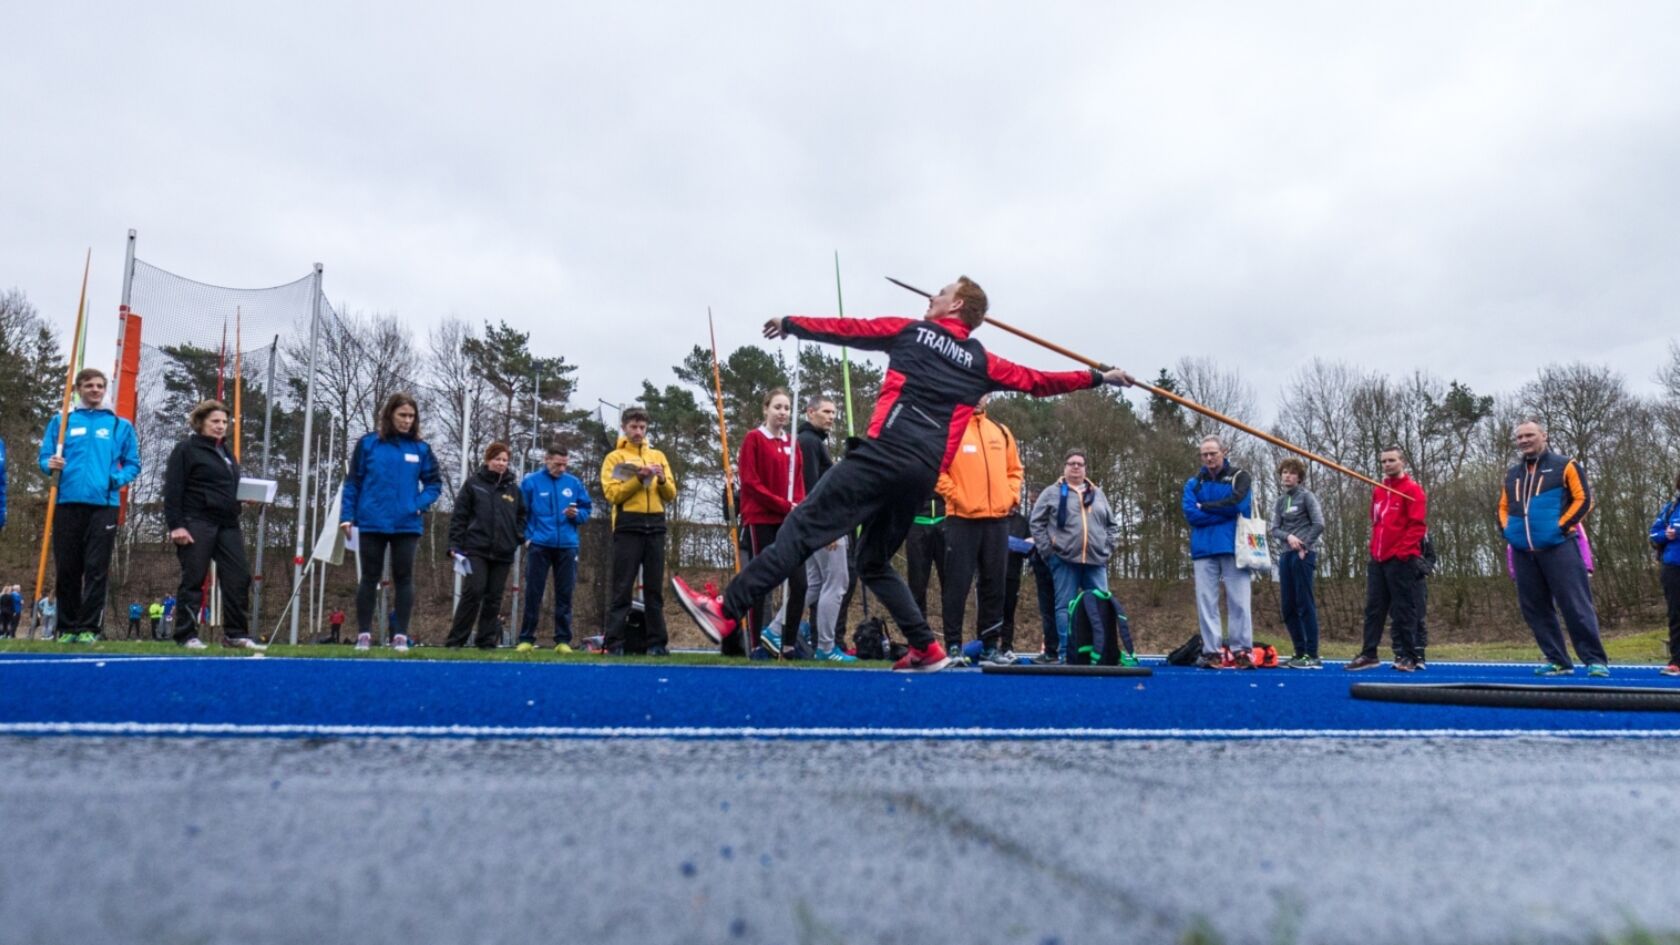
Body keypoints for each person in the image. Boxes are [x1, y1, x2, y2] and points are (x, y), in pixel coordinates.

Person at [671, 276, 1138, 671]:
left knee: (799, 528)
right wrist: (1100, 377)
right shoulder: (982, 361)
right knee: (872, 562)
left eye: (939, 293)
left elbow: (851, 329)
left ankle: (726, 611)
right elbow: (1040, 382)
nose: (929, 298)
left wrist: (793, 324)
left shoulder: (913, 332)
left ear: (955, 304)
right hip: (920, 475)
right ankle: (926, 646)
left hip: (882, 455)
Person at [38, 368, 141, 642]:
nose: (94, 390)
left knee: (96, 568)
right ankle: (67, 627)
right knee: (68, 567)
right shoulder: (61, 422)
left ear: (105, 389)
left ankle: (88, 628)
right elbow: (45, 457)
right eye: (88, 385)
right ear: (78, 389)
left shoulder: (120, 426)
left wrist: (115, 479)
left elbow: (133, 464)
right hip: (67, 503)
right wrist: (51, 465)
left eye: (99, 385)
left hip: (103, 505)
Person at [1501, 420, 1608, 677]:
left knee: (1575, 604)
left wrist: (1560, 527)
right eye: (1519, 437)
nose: (1524, 440)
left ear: (1543, 436)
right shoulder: (1513, 474)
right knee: (1535, 608)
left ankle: (1595, 660)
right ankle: (1558, 660)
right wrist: (1509, 532)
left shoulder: (1565, 465)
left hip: (1560, 547)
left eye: (1529, 435)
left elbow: (1584, 499)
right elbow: (1503, 507)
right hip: (1523, 551)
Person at [340, 392, 442, 654]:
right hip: (372, 521)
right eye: (402, 415)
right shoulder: (368, 444)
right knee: (369, 577)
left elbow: (434, 484)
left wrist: (417, 505)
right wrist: (346, 516)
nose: (407, 420)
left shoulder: (421, 449)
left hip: (406, 525)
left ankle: (400, 635)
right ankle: (364, 634)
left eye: (411, 416)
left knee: (404, 577)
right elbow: (353, 483)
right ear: (390, 415)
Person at [161, 399, 266, 650]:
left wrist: (243, 498)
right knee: (195, 578)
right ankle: (186, 635)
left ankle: (235, 634)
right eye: (215, 421)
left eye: (224, 422)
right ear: (200, 423)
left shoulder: (226, 453)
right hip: (196, 521)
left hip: (228, 523)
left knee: (238, 576)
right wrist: (176, 525)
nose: (221, 426)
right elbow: (173, 489)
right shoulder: (186, 449)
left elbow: (223, 487)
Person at [936, 393, 1024, 663]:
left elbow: (1015, 470)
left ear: (988, 396)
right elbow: (937, 471)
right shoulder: (948, 429)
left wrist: (1010, 497)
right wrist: (959, 497)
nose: (977, 397)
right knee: (956, 584)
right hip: (962, 519)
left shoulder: (1001, 431)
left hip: (997, 520)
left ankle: (990, 646)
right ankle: (953, 646)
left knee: (994, 584)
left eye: (983, 392)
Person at [1029, 449, 1122, 663]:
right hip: (1064, 560)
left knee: (1102, 606)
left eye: (1080, 464)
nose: (1076, 467)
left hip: (1096, 561)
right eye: (1071, 463)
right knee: (1064, 607)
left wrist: (1107, 548)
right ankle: (1066, 653)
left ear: (1085, 468)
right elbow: (1037, 522)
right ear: (1064, 467)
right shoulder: (1051, 493)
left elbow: (1112, 525)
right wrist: (1048, 551)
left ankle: (1103, 652)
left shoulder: (1098, 494)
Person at [600, 407, 677, 657]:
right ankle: (614, 642)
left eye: (642, 428)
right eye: (633, 427)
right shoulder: (614, 458)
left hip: (655, 524)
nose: (638, 432)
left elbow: (671, 495)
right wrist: (638, 478)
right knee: (623, 587)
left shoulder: (658, 455)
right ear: (624, 427)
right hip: (627, 525)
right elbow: (613, 495)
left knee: (654, 589)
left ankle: (657, 643)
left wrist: (662, 479)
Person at [738, 388, 807, 657]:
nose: (782, 412)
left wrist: (798, 507)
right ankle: (756, 644)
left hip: (789, 521)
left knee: (799, 582)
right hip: (762, 519)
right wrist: (782, 504)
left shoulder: (793, 443)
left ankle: (789, 644)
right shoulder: (754, 439)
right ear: (766, 409)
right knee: (762, 583)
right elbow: (751, 483)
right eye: (777, 407)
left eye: (787, 408)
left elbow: (798, 482)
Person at [1346, 446, 1429, 671]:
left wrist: (1402, 552)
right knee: (1374, 608)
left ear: (1402, 462)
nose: (1387, 465)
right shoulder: (1379, 490)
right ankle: (1369, 654)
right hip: (1378, 559)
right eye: (1383, 461)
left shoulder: (1413, 490)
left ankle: (1409, 656)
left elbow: (1418, 526)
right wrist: (1374, 550)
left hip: (1401, 559)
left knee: (1403, 609)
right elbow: (1376, 522)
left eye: (1391, 460)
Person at [1183, 436, 1255, 669]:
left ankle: (1242, 651)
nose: (1209, 458)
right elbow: (1191, 514)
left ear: (1223, 451)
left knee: (1240, 601)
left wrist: (1206, 508)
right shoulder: (1193, 483)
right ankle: (1212, 651)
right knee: (1206, 602)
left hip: (1234, 547)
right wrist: (1222, 513)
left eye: (1213, 453)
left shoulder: (1238, 477)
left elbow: (1239, 506)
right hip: (1203, 549)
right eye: (1204, 454)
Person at [448, 442, 527, 650]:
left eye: (505, 460)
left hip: (503, 551)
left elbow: (522, 516)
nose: (501, 463)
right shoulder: (473, 484)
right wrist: (455, 544)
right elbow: (460, 516)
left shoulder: (513, 489)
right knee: (474, 592)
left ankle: (486, 640)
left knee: (494, 597)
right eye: (497, 459)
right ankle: (456, 640)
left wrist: (518, 535)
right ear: (488, 460)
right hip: (476, 548)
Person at [797, 395, 856, 661]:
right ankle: (826, 647)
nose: (831, 416)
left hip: (817, 525)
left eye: (834, 412)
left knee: (814, 584)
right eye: (826, 411)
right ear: (811, 412)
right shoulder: (809, 442)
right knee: (837, 583)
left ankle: (775, 629)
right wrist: (827, 529)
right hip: (824, 526)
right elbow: (812, 488)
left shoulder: (815, 442)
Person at [519, 445, 592, 653]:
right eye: (558, 464)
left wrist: (576, 515)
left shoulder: (574, 483)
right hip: (539, 545)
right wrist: (527, 538)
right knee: (533, 593)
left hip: (568, 546)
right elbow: (520, 512)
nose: (561, 468)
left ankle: (563, 641)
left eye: (565, 464)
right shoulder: (530, 482)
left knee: (565, 594)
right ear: (546, 459)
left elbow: (586, 508)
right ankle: (526, 638)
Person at [1269, 458, 1326, 669]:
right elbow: (1274, 529)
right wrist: (1289, 537)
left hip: (1304, 556)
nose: (1287, 476)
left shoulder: (1307, 497)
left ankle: (1312, 654)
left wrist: (1304, 545)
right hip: (1285, 555)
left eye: (1292, 473)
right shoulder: (1280, 501)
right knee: (1288, 606)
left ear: (1299, 477)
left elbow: (1319, 523)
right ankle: (1299, 652)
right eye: (1284, 472)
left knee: (1305, 604)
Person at [1650, 472, 1680, 676]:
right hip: (1673, 566)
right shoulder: (1670, 508)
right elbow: (1654, 533)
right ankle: (1676, 661)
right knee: (1676, 614)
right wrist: (1666, 535)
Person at [905, 495, 946, 625]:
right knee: (917, 584)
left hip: (945, 521)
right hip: (917, 523)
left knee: (950, 584)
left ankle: (953, 640)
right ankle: (919, 637)